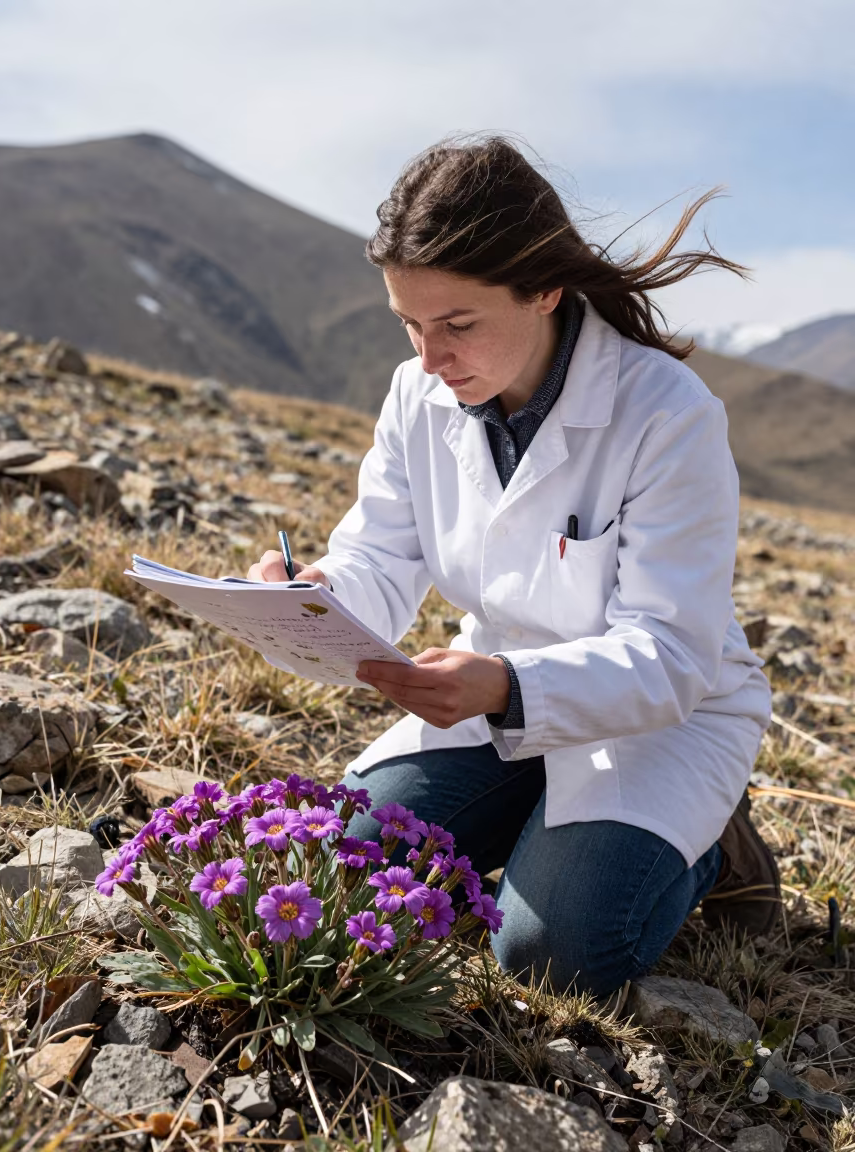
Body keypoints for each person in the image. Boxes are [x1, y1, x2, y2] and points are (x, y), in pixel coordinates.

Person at [248, 136, 780, 998]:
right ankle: (549, 826)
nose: (429, 359)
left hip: (657, 718)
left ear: (543, 288)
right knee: (331, 867)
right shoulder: (417, 395)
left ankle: (716, 845)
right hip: (487, 699)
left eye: (457, 325)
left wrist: (506, 687)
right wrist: (315, 595)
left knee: (550, 956)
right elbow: (378, 555)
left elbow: (673, 655)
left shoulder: (668, 415)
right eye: (410, 325)